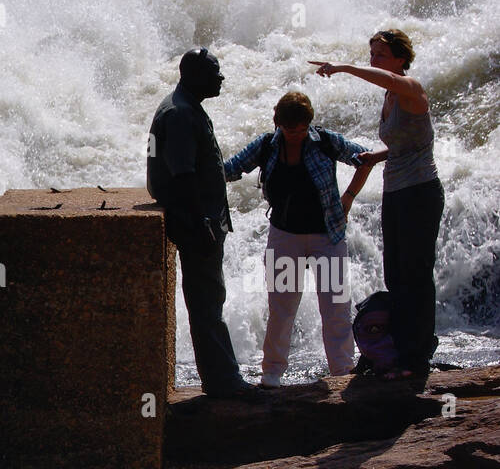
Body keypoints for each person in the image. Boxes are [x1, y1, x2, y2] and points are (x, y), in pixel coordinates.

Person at [311, 29, 444, 380]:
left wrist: (343, 67)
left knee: (415, 274)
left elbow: (385, 79)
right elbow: (411, 142)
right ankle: (400, 349)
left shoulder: (411, 89)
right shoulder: (389, 94)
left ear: (400, 59)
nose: (374, 59)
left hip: (421, 191)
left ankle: (416, 357)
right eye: (371, 53)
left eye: (381, 54)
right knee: (396, 272)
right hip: (396, 191)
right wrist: (378, 155)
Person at [223, 91, 372, 387]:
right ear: (278, 123)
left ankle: (342, 371)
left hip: (326, 236)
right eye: (290, 129)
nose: (295, 134)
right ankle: (272, 374)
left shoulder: (326, 141)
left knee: (335, 307)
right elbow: (231, 168)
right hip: (285, 236)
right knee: (282, 308)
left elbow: (364, 159)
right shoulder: (267, 145)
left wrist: (350, 196)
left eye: (302, 129)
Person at [147, 47, 256, 398]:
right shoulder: (180, 114)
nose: (220, 78)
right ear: (194, 75)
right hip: (196, 224)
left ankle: (221, 378)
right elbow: (182, 176)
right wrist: (203, 223)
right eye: (215, 72)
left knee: (209, 301)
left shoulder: (183, 106)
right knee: (208, 303)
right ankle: (224, 383)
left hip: (197, 220)